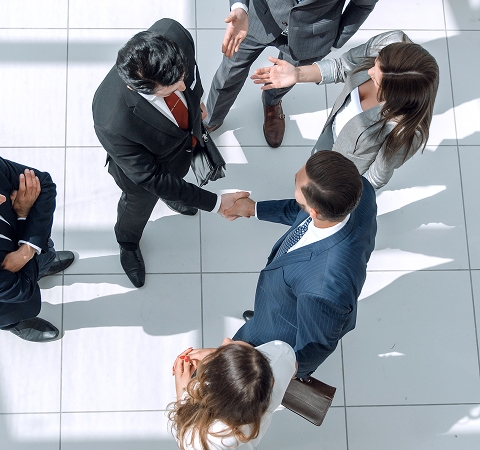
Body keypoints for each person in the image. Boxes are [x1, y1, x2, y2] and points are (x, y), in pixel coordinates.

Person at [92, 18, 248, 288]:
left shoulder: (173, 33)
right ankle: (127, 243)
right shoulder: (112, 119)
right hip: (145, 175)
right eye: (172, 87)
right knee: (136, 207)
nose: (183, 87)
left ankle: (173, 197)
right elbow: (152, 178)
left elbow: (192, 81)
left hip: (178, 152)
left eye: (181, 78)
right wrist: (215, 203)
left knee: (175, 181)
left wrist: (195, 102)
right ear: (136, 88)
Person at [223, 150, 377, 378]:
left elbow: (313, 349)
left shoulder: (324, 287)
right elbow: (301, 213)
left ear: (314, 210)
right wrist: (254, 209)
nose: (295, 175)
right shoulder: (357, 190)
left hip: (276, 337)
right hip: (282, 307)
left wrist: (286, 374)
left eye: (297, 191)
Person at [251, 30, 439, 189]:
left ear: (398, 96)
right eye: (375, 64)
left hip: (344, 175)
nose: (369, 72)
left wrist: (340, 198)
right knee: (306, 180)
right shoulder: (391, 42)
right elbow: (343, 67)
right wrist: (297, 74)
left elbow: (376, 176)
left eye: (376, 80)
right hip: (328, 138)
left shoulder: (407, 130)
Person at [204, 0, 379, 148]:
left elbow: (362, 4)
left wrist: (336, 41)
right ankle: (211, 117)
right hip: (258, 17)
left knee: (287, 77)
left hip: (313, 34)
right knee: (230, 71)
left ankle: (272, 102)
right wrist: (240, 6)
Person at [169, 339, 296, 450]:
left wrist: (182, 390)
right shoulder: (280, 355)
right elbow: (292, 366)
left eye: (225, 347)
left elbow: (185, 442)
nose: (226, 339)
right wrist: (223, 358)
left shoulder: (202, 439)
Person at [0, 157, 74, 342]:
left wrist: (28, 249)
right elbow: (22, 287)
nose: (2, 198)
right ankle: (16, 324)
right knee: (15, 307)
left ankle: (40, 265)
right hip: (8, 301)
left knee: (45, 254)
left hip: (21, 242)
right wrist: (24, 215)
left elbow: (44, 184)